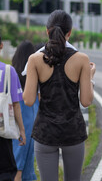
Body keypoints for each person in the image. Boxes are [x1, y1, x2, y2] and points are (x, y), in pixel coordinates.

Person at [23, 10, 96, 181]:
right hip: (73, 132)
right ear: (69, 33)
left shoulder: (34, 59)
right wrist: (90, 78)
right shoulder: (82, 59)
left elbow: (28, 100)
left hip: (45, 132)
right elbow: (86, 101)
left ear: (47, 31)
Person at [0, 35, 26, 181]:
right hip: (3, 132)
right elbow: (16, 104)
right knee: (6, 172)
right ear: (1, 46)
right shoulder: (9, 72)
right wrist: (21, 130)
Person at [12, 41, 38, 181]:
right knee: (23, 168)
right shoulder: (33, 78)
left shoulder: (11, 75)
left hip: (14, 125)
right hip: (28, 126)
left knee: (18, 166)